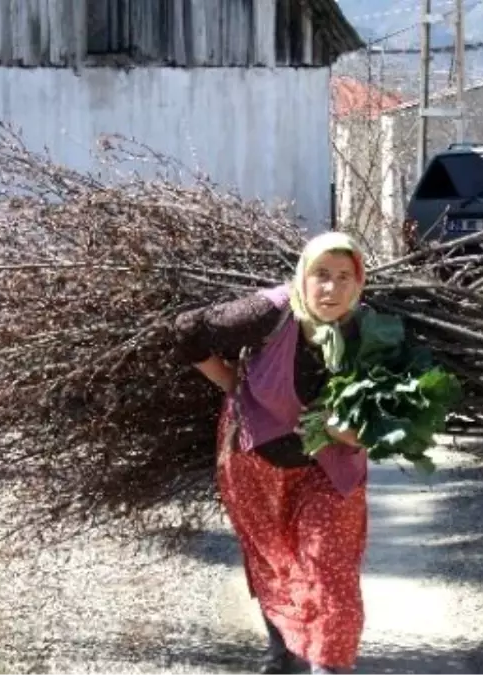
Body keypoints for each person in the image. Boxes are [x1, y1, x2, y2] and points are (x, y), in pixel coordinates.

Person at [173, 232, 370, 675]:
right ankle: (284, 657)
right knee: (275, 559)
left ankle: (329, 665)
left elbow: (395, 414)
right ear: (303, 275)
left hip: (330, 468)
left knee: (329, 564)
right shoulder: (269, 314)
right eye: (321, 275)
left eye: (344, 277)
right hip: (255, 459)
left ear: (358, 282)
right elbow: (188, 330)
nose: (332, 289)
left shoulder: (369, 329)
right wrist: (230, 383)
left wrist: (356, 432)